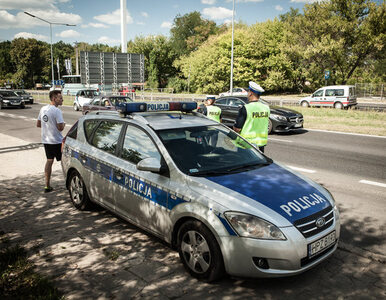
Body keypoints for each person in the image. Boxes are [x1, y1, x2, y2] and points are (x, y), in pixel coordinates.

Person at [37, 90, 65, 192]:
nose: (62, 100)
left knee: (49, 161)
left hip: (46, 140)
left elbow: (38, 124)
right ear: (54, 99)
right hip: (57, 141)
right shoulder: (57, 111)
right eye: (60, 98)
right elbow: (61, 127)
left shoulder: (43, 109)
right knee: (65, 161)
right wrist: (63, 125)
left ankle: (47, 185)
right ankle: (69, 183)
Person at [233, 81, 270, 153]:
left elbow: (237, 129)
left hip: (246, 144)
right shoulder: (266, 108)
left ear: (251, 93)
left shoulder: (246, 108)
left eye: (248, 92)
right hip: (261, 144)